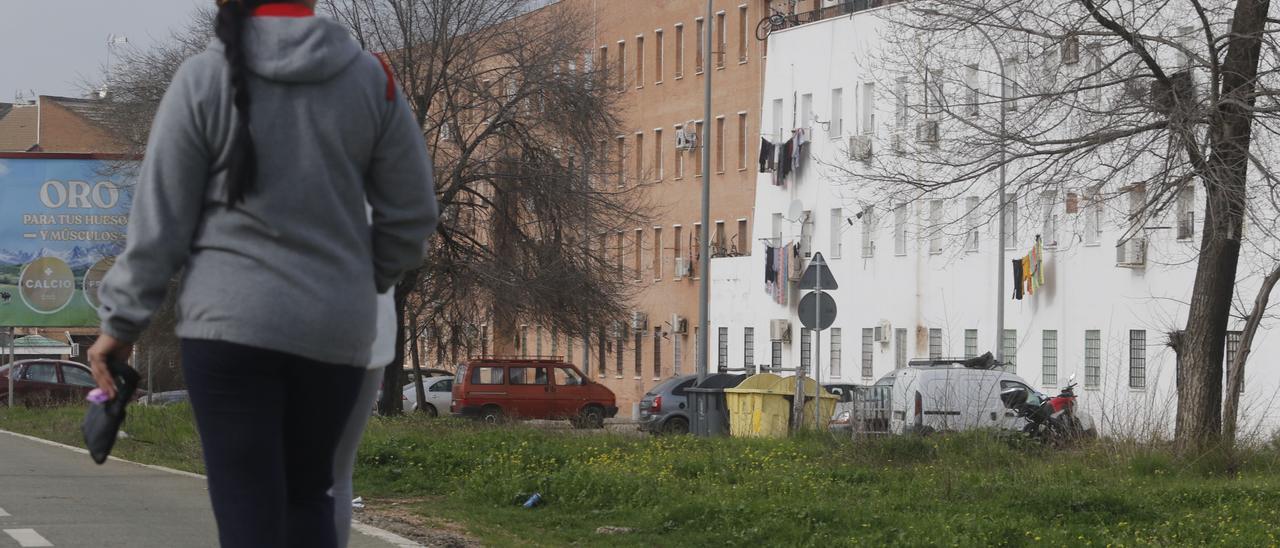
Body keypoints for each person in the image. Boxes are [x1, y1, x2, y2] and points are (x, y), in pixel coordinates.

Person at [87, 0, 438, 546]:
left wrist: (121, 325)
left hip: (228, 328)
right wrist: (361, 279)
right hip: (333, 329)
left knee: (248, 504)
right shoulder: (372, 78)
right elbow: (413, 213)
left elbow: (161, 224)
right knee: (309, 497)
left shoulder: (201, 78)